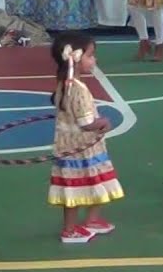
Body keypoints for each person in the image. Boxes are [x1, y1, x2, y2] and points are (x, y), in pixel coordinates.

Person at [47, 32, 121, 243]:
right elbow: (86, 123)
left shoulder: (65, 84)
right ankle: (69, 230)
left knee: (97, 181)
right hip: (79, 149)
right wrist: (104, 122)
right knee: (75, 188)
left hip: (82, 147)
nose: (94, 60)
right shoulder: (77, 90)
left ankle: (92, 220)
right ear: (76, 59)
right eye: (91, 56)